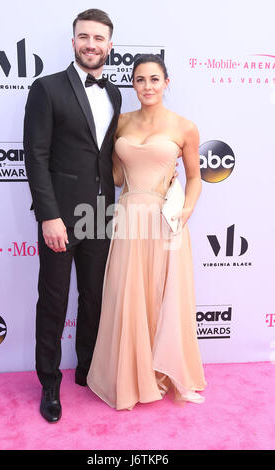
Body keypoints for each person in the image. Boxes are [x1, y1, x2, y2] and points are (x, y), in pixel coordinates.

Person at [87, 54, 207, 410]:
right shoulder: (120, 123)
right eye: (140, 80)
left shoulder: (184, 127)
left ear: (166, 83)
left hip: (165, 220)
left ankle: (165, 371)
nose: (147, 86)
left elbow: (196, 178)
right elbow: (118, 178)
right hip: (128, 218)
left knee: (163, 294)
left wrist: (186, 208)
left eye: (154, 79)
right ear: (133, 84)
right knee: (129, 294)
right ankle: (130, 376)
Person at [23, 9, 122, 422]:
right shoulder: (46, 89)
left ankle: (87, 370)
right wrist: (49, 216)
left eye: (99, 38)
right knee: (54, 300)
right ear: (73, 41)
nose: (91, 45)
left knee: (95, 299)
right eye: (84, 37)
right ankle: (49, 381)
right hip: (61, 216)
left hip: (100, 213)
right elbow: (36, 155)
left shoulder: (115, 93)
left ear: (110, 45)